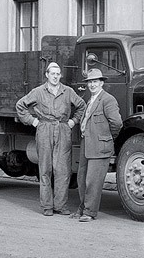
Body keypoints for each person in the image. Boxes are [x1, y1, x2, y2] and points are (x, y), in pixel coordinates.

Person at [16, 62, 86, 216]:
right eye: (52, 73)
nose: (55, 76)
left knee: (62, 169)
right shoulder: (38, 92)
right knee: (45, 168)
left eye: (58, 74)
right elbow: (20, 106)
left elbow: (82, 106)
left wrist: (73, 121)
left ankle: (60, 205)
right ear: (47, 75)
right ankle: (47, 206)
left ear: (60, 75)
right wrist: (33, 121)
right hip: (44, 129)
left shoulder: (67, 91)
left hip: (62, 129)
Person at [72, 68, 123, 222]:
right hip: (87, 144)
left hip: (99, 146)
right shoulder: (91, 99)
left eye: (95, 81)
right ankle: (83, 209)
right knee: (82, 179)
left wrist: (106, 138)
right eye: (89, 82)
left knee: (93, 181)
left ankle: (89, 212)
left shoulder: (108, 99)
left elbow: (117, 123)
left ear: (101, 83)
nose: (92, 85)